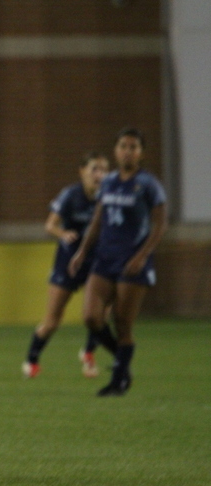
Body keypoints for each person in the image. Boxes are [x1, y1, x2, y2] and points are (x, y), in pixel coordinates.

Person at [69, 127, 167, 396]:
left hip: (131, 262)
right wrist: (82, 252)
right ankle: (122, 362)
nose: (127, 151)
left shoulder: (148, 184)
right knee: (90, 317)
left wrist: (142, 255)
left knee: (123, 324)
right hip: (105, 259)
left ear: (141, 153)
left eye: (133, 147)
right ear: (116, 150)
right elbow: (98, 220)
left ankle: (119, 380)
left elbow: (160, 224)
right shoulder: (109, 181)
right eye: (123, 146)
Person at [23, 152, 109, 379]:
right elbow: (49, 225)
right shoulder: (71, 195)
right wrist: (63, 233)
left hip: (95, 262)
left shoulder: (109, 196)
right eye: (94, 169)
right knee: (52, 320)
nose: (99, 175)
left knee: (102, 312)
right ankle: (32, 360)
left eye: (103, 170)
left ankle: (88, 353)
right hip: (68, 262)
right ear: (82, 171)